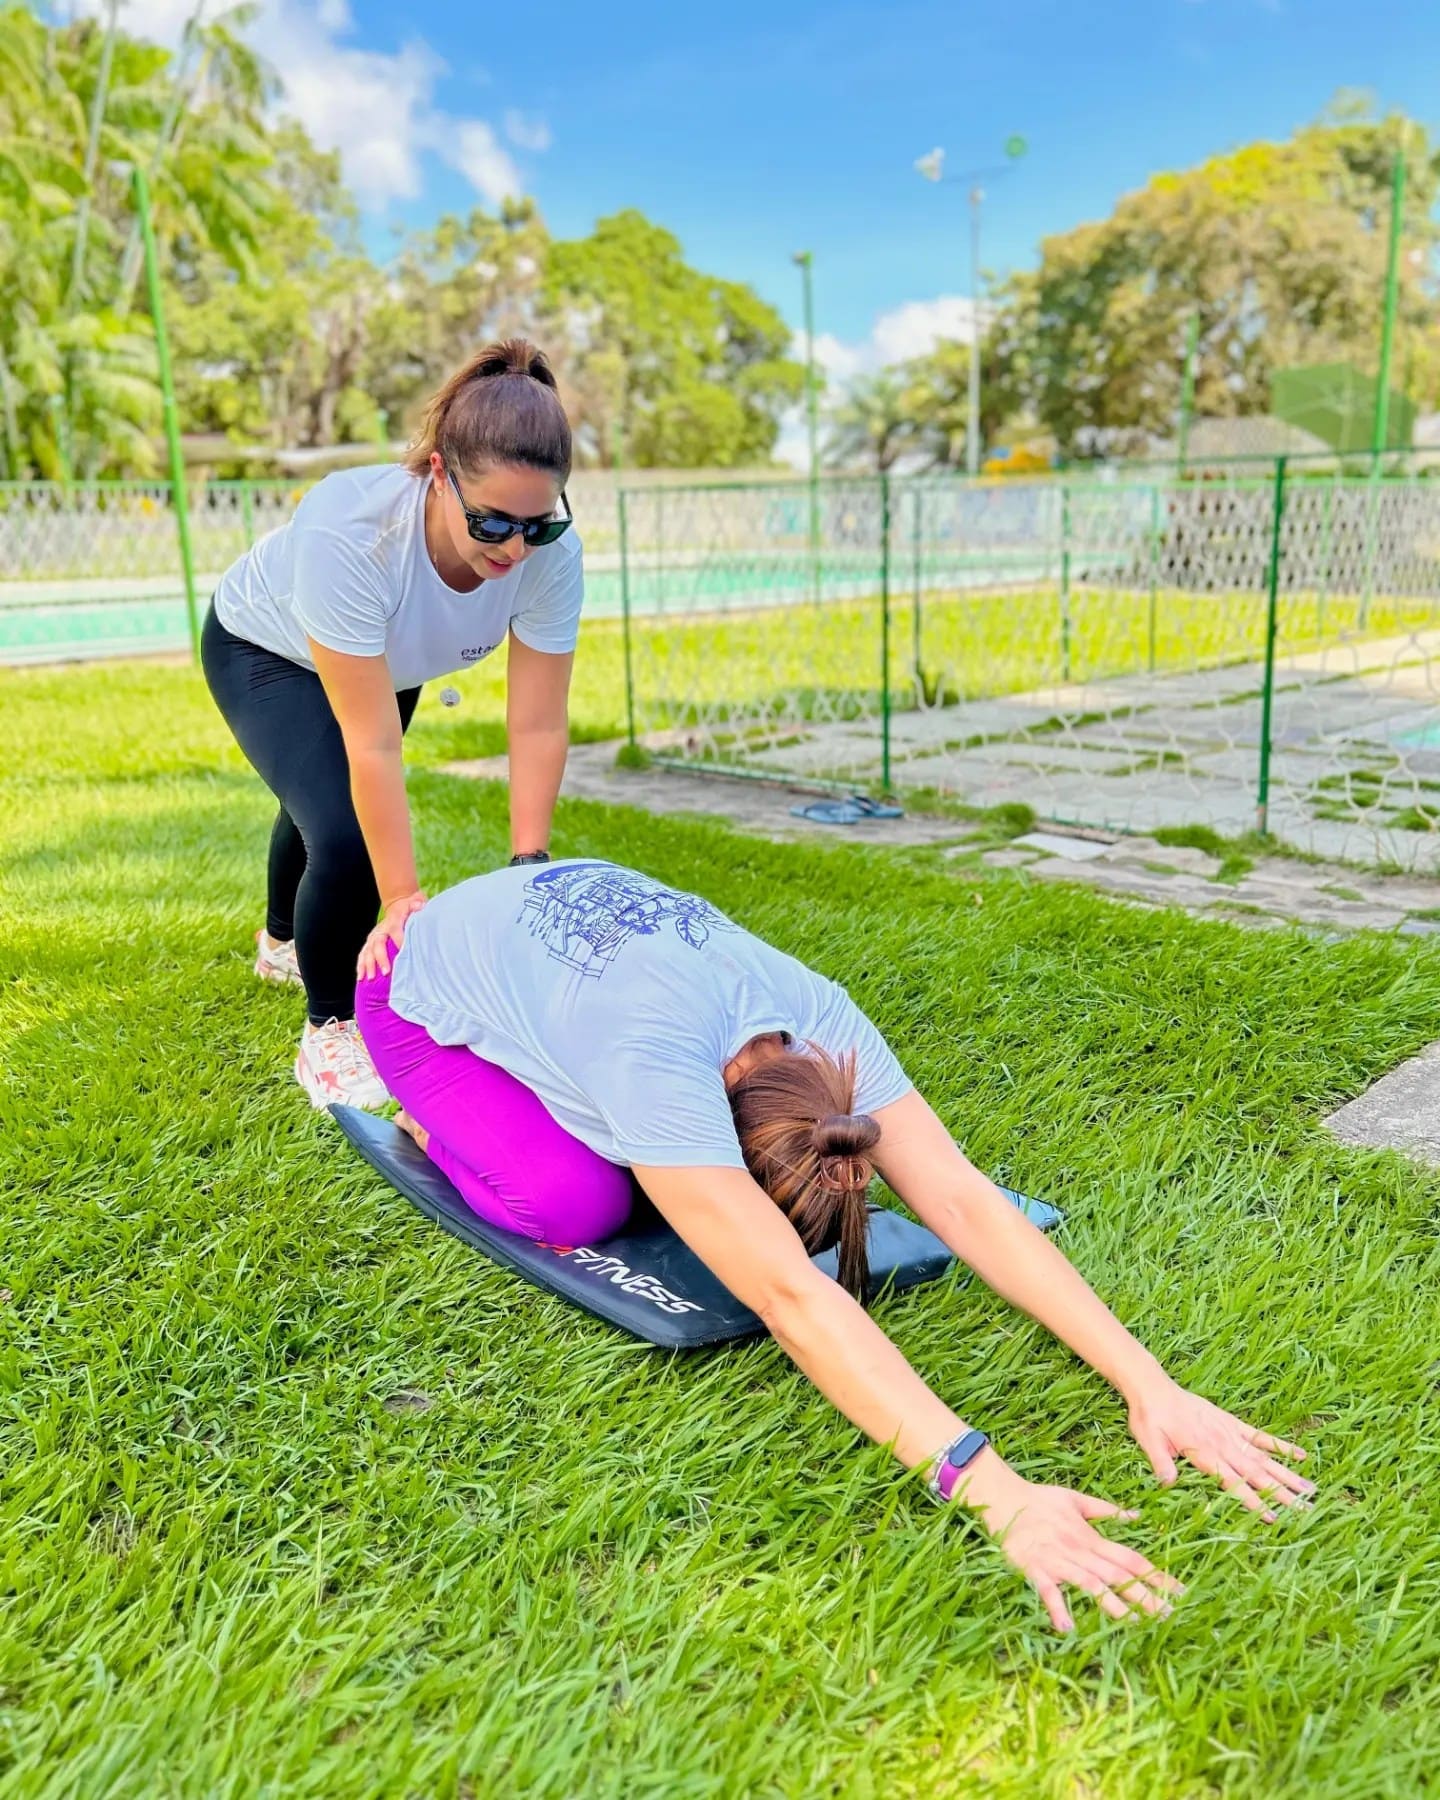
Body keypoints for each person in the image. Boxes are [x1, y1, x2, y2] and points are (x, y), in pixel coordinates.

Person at [353, 858, 1315, 1633]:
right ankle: (452, 1117)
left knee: (622, 1163)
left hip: (555, 934)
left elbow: (967, 1201)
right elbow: (794, 1301)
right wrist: (994, 1490)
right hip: (410, 983)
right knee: (578, 1205)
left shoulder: (820, 1018)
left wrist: (1152, 1383)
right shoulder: (653, 1069)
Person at [202, 339, 580, 1109]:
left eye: (536, 524)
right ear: (440, 472)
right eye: (494, 522)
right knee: (342, 829)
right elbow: (371, 747)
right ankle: (331, 1025)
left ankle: (281, 944)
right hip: (264, 646)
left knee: (314, 804)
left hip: (389, 656)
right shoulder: (354, 529)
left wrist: (527, 863)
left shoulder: (550, 555)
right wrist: (402, 901)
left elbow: (536, 725)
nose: (516, 547)